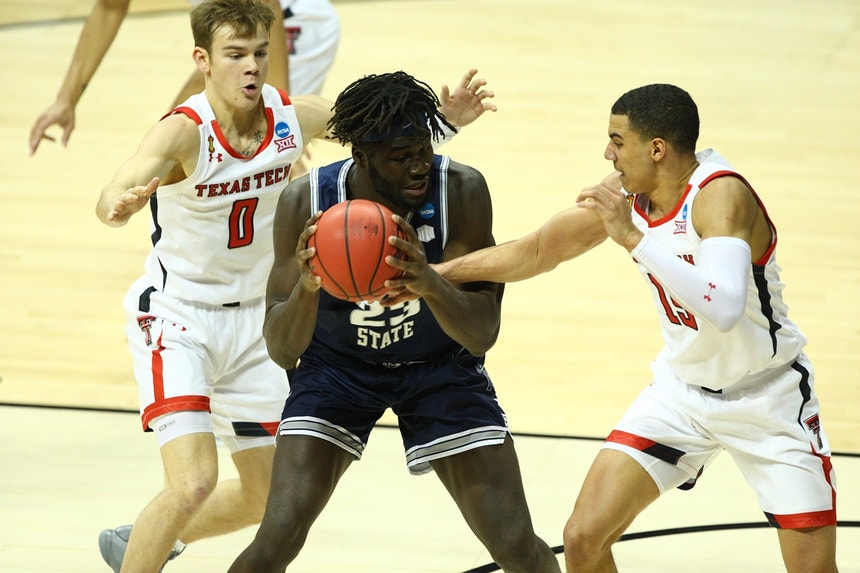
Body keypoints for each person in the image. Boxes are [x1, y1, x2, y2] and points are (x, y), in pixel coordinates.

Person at [92, 0, 496, 570]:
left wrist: (443, 121)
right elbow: (126, 176)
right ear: (203, 60)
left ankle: (144, 537)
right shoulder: (184, 132)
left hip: (256, 324)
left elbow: (375, 129)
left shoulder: (292, 117)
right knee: (194, 482)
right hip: (179, 317)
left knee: (263, 498)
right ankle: (152, 543)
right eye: (235, 55)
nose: (251, 67)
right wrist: (117, 203)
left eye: (259, 52)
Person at [428, 83, 840, 572]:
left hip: (767, 401)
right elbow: (537, 251)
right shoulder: (627, 197)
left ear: (657, 149)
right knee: (583, 538)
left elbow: (725, 306)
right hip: (681, 395)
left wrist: (630, 237)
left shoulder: (721, 196)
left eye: (618, 141)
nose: (608, 154)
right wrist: (429, 277)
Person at [226, 70, 560, 573]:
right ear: (360, 156)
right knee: (277, 537)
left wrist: (428, 281)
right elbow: (281, 349)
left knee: (515, 546)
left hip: (438, 367)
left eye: (423, 149)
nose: (419, 166)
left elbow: (481, 333)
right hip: (336, 369)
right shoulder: (306, 203)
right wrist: (308, 286)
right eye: (400, 157)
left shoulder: (461, 191)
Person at [28, 0, 340, 157]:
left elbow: (266, 6)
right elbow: (110, 8)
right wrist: (66, 100)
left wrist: (280, 118)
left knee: (261, 149)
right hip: (239, 28)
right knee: (175, 137)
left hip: (291, 28)